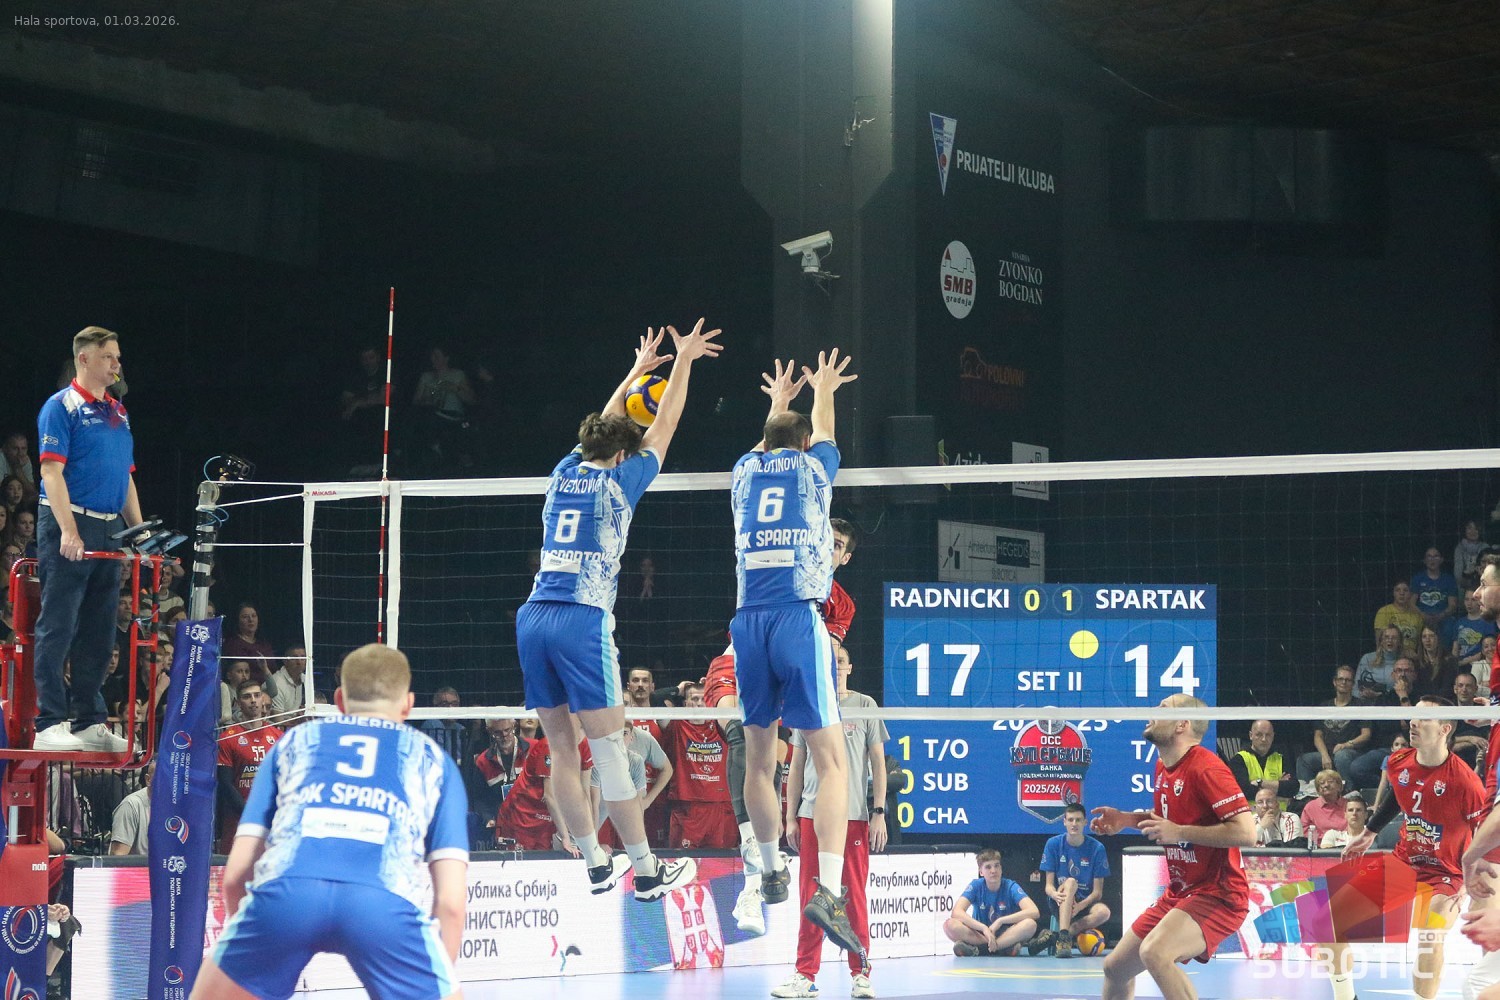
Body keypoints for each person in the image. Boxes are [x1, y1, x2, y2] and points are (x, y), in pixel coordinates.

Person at [514, 322, 718, 901]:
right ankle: (647, 871)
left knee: (562, 750)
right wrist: (682, 362)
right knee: (609, 753)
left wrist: (633, 373)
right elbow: (665, 424)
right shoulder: (622, 482)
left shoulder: (562, 476)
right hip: (580, 620)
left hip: (533, 616)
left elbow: (598, 432)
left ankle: (595, 863)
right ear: (623, 455)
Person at [189, 643, 468, 1000]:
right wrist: (437, 978)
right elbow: (450, 903)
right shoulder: (433, 759)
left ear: (338, 700)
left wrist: (253, 944)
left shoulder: (294, 741)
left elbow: (237, 875)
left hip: (288, 895)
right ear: (408, 704)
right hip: (383, 903)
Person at [730, 350, 862, 957]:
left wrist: (778, 405)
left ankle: (768, 870)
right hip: (795, 616)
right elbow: (824, 433)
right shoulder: (813, 470)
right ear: (804, 445)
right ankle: (828, 890)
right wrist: (824, 388)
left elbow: (768, 443)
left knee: (759, 761)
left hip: (747, 622)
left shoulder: (742, 472)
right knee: (831, 762)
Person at [1090, 694, 1255, 1000]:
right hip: (1181, 892)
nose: (1152, 711)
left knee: (1155, 952)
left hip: (1220, 894)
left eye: (1162, 708)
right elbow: (1167, 820)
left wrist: (1178, 832)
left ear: (1182, 724)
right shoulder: (1163, 766)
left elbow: (1247, 833)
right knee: (1115, 968)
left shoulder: (1207, 768)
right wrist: (1126, 819)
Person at [32, 326, 142, 753]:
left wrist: (139, 532)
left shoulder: (118, 411)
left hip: (111, 527)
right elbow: (50, 472)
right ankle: (48, 723)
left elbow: (125, 478)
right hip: (70, 522)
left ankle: (88, 721)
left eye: (118, 357)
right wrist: (68, 530)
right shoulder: (61, 406)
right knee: (59, 624)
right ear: (84, 359)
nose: (117, 364)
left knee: (100, 630)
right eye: (109, 356)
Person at [1343, 695, 1485, 1000]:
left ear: (1445, 729)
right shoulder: (1398, 761)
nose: (1413, 723)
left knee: (1430, 936)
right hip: (1403, 863)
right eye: (1413, 717)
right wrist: (1368, 832)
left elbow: (1483, 834)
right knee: (1331, 919)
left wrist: (1469, 881)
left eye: (1423, 719)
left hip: (1446, 875)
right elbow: (1399, 794)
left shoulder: (1466, 782)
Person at [773, 643, 887, 998]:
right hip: (812, 815)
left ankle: (860, 974)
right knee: (812, 897)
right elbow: (796, 764)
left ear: (850, 667)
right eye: (830, 661)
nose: (836, 666)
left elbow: (878, 763)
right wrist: (790, 816)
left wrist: (879, 812)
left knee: (853, 897)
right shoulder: (807, 702)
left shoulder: (865, 706)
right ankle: (804, 975)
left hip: (853, 816)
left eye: (841, 661)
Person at [493, 723, 595, 854]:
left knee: (543, 862)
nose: (579, 736)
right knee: (519, 863)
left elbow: (584, 793)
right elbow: (550, 796)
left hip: (545, 819)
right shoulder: (549, 746)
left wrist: (591, 838)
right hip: (520, 815)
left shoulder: (585, 744)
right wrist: (565, 838)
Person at [1031, 802, 1111, 958]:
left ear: (1085, 822)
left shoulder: (1097, 848)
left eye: (1078, 820)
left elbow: (1097, 893)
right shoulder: (1053, 844)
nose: (1074, 824)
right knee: (1070, 882)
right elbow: (1048, 886)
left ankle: (1058, 937)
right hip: (1060, 900)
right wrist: (1054, 894)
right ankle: (1063, 940)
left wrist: (1080, 906)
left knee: (1104, 912)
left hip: (1085, 902)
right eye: (1071, 820)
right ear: (1065, 822)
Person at [217, 679, 285, 852]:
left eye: (257, 695)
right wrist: (251, 814)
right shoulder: (228, 738)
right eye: (247, 697)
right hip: (238, 822)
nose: (253, 700)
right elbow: (225, 784)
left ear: (263, 699)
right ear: (238, 703)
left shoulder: (278, 736)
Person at [666, 682, 736, 849]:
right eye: (694, 699)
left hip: (720, 805)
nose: (699, 703)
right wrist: (678, 688)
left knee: (722, 863)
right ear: (685, 704)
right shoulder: (677, 725)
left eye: (703, 699)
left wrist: (716, 687)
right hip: (688, 806)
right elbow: (656, 699)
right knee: (683, 860)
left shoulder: (723, 726)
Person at [943, 849, 1040, 957]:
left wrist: (1000, 921)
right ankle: (1000, 948)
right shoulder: (976, 885)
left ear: (1001, 869)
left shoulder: (1010, 886)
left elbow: (1034, 911)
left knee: (1030, 924)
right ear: (981, 872)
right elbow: (956, 912)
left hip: (1006, 934)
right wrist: (983, 928)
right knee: (949, 925)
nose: (993, 871)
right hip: (981, 935)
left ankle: (982, 949)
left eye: (996, 866)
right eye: (988, 867)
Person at [1296, 665, 1369, 789]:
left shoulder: (1360, 705)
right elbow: (1318, 736)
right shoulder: (1325, 706)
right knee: (1304, 760)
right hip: (1328, 752)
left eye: (1348, 680)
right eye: (1341, 679)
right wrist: (1324, 755)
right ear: (1335, 682)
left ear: (1353, 684)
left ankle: (1348, 792)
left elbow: (1366, 734)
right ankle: (1307, 794)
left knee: (1342, 756)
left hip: (1352, 752)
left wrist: (1347, 744)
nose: (1344, 682)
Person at [1227, 719, 1298, 806]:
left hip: (1278, 813)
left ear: (1273, 736)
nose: (1264, 739)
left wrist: (1259, 783)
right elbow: (1245, 791)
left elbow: (1293, 788)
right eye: (1259, 735)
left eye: (1268, 735)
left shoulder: (1281, 758)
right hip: (1250, 813)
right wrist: (1278, 787)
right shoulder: (1239, 760)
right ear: (1251, 735)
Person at [108, 759, 153, 855]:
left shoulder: (180, 805)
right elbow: (118, 856)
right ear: (148, 780)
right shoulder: (130, 805)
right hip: (141, 865)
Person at [221, 602, 276, 680]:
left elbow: (273, 669)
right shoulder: (232, 644)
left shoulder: (264, 644)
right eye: (245, 617)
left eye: (254, 616)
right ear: (237, 620)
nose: (251, 620)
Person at [1298, 769, 1349, 847]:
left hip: (1345, 846)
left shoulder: (1350, 805)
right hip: (1318, 849)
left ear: (1339, 786)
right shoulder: (1310, 807)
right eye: (1322, 783)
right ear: (1318, 789)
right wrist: (1327, 840)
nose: (1326, 785)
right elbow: (1305, 832)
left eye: (1330, 781)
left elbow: (1356, 828)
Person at [1414, 546, 1461, 629]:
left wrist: (1440, 616)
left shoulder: (1449, 580)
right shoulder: (1417, 579)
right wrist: (1423, 615)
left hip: (1444, 619)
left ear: (1441, 560)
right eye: (1429, 556)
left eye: (1436, 556)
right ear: (1424, 560)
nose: (1432, 559)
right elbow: (1411, 603)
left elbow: (1453, 604)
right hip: (1421, 618)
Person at [1374, 581, 1424, 655]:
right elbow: (1379, 641)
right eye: (1398, 590)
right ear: (1393, 593)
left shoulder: (1417, 615)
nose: (1402, 593)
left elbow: (1420, 642)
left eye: (1405, 590)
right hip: (1390, 655)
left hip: (1412, 656)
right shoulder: (1384, 611)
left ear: (1410, 594)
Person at [1357, 625, 1404, 697]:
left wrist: (1380, 696)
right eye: (1386, 637)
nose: (1390, 640)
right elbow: (1355, 687)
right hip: (1366, 701)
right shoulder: (1367, 658)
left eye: (1394, 638)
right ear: (1381, 641)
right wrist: (1361, 695)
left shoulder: (1404, 663)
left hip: (1394, 701)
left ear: (1399, 642)